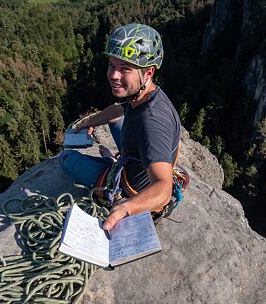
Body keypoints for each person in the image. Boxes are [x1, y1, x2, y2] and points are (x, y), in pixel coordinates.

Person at [58, 23, 181, 232]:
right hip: (136, 157)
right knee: (115, 119)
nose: (114, 75)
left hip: (131, 187)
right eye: (112, 65)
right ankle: (118, 158)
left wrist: (124, 208)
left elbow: (163, 188)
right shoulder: (145, 96)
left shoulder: (151, 122)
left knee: (66, 157)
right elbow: (118, 110)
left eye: (125, 68)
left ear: (149, 72)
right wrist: (87, 123)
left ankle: (111, 174)